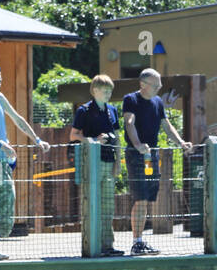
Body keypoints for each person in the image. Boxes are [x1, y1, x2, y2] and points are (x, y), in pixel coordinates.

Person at [0, 66, 50, 261]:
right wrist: (1, 144)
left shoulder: (0, 99)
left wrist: (37, 140)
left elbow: (18, 120)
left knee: (4, 201)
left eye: (0, 80)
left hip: (1, 162)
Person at [123, 68, 193, 256]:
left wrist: (180, 142)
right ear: (143, 85)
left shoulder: (157, 102)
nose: (159, 89)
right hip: (136, 155)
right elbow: (129, 123)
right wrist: (137, 145)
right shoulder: (131, 100)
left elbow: (167, 126)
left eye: (160, 85)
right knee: (140, 198)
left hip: (149, 158)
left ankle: (140, 241)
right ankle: (136, 242)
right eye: (156, 85)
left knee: (146, 198)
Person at [71, 74, 124, 257]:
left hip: (109, 163)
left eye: (110, 90)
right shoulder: (84, 111)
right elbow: (73, 136)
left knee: (108, 206)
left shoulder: (112, 110)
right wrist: (94, 140)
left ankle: (107, 246)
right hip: (92, 163)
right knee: (92, 204)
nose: (108, 93)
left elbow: (117, 138)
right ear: (94, 91)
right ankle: (92, 244)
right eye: (104, 90)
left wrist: (118, 162)